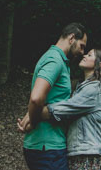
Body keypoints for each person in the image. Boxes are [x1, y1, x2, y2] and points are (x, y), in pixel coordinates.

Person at [18, 22, 89, 170]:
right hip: (47, 148)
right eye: (81, 46)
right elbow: (36, 98)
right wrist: (34, 120)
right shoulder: (55, 60)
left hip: (48, 146)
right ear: (71, 38)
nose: (82, 52)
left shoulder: (58, 60)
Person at [43, 49, 101, 170]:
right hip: (82, 154)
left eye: (90, 55)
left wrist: (34, 113)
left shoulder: (96, 88)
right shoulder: (81, 89)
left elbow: (65, 108)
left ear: (99, 64)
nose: (84, 55)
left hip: (91, 156)